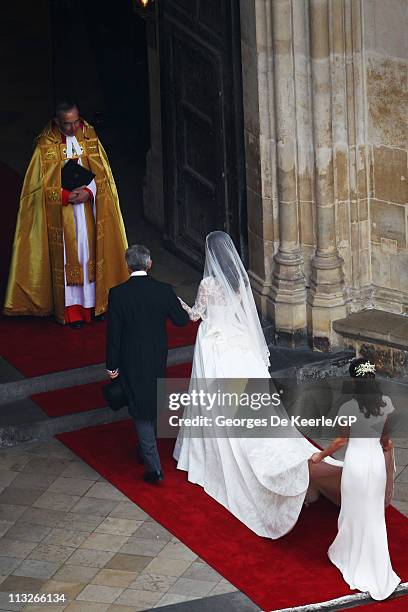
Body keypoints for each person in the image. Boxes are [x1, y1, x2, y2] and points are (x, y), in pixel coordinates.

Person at [173, 230, 343, 538]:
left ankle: (214, 457)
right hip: (240, 345)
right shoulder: (239, 283)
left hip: (216, 346)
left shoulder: (209, 284)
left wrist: (178, 305)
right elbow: (245, 318)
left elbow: (197, 315)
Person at [3, 100, 129, 328]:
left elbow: (103, 176)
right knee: (70, 256)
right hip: (64, 216)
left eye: (76, 122)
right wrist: (64, 196)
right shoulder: (45, 144)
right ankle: (73, 312)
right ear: (57, 122)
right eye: (67, 125)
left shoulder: (89, 136)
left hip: (89, 211)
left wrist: (90, 192)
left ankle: (96, 305)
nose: (73, 128)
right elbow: (37, 185)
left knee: (89, 255)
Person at [311, 357, 400, 600]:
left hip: (357, 466)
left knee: (353, 512)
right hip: (376, 464)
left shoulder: (347, 408)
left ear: (354, 380)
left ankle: (349, 554)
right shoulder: (387, 403)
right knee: (374, 515)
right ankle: (378, 566)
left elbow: (341, 441)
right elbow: (385, 439)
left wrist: (321, 455)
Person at [106, 245, 190, 483]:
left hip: (130, 358)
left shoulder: (118, 294)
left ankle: (154, 468)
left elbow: (114, 334)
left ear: (127, 265)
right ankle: (145, 453)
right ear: (149, 264)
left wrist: (112, 366)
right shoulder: (163, 290)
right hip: (156, 356)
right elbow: (181, 321)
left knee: (141, 410)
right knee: (150, 402)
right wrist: (177, 302)